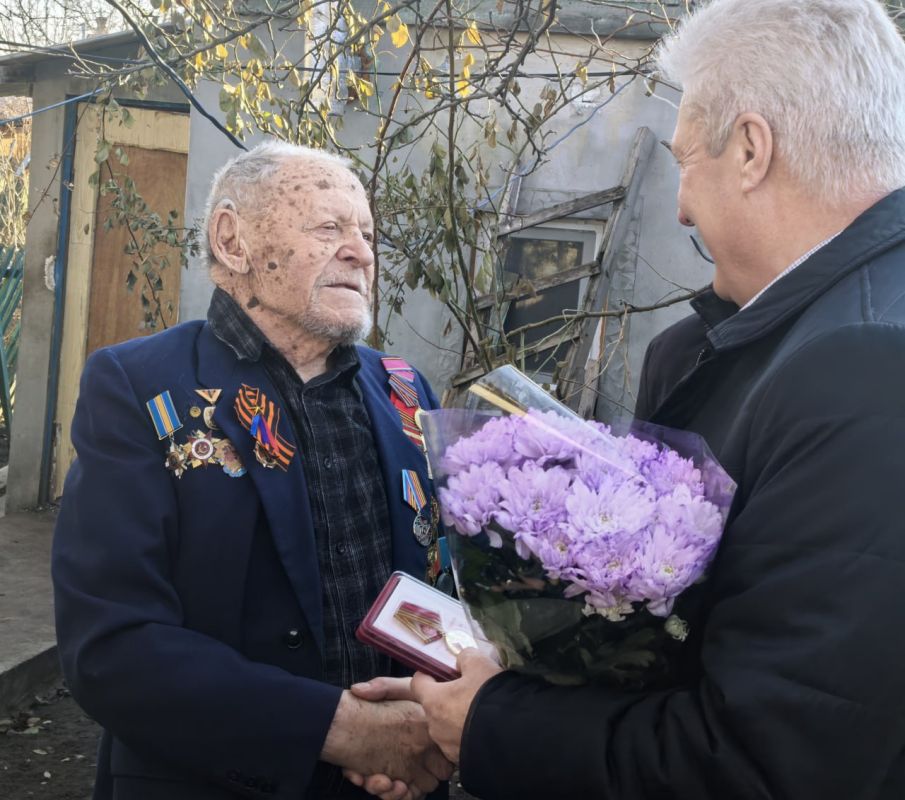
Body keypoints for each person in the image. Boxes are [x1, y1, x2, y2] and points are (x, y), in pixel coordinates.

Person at [350, 0, 905, 797]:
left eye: (685, 160)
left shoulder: (866, 364)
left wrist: (491, 723)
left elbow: (769, 764)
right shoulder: (797, 334)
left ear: (750, 150)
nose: (678, 206)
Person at [52, 141, 453, 800]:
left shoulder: (406, 390)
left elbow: (438, 585)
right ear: (233, 241)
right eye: (329, 227)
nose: (360, 252)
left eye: (366, 234)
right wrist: (342, 731)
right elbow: (112, 648)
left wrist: (435, 715)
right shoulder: (139, 386)